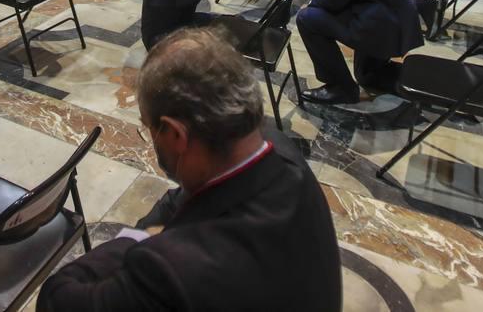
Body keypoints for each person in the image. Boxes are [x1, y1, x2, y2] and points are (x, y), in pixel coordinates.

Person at [37, 28, 341, 312]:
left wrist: (136, 240)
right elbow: (181, 198)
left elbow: (56, 299)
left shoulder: (167, 270)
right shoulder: (282, 154)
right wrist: (152, 229)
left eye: (148, 129)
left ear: (174, 134)